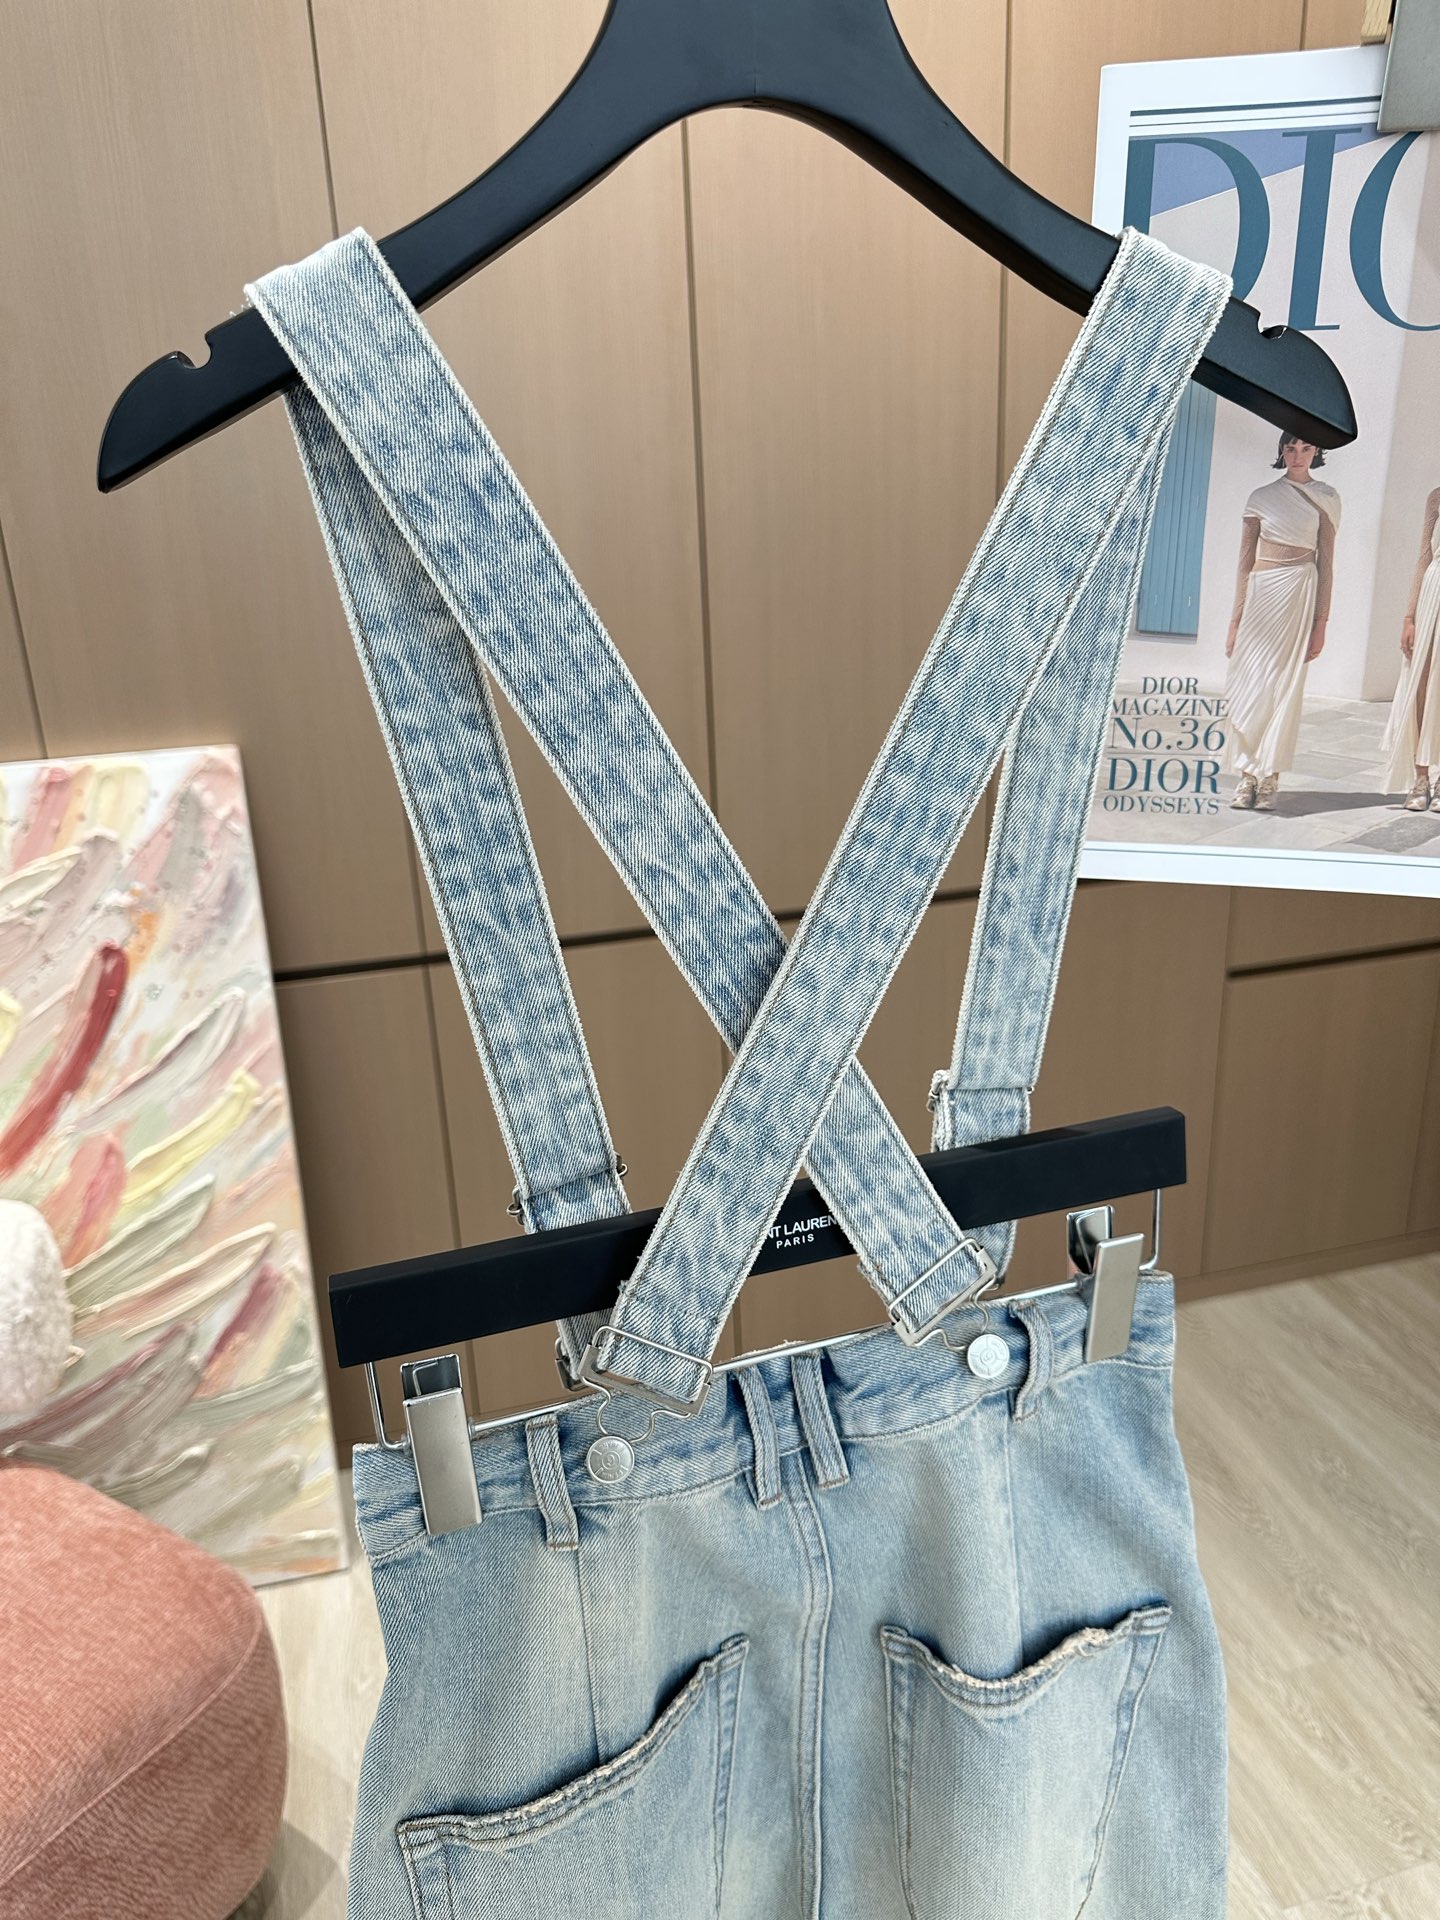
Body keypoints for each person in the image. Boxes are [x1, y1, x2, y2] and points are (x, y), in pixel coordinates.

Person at [1223, 435, 1340, 811]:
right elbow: (1244, 563)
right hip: (1261, 594)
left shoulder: (1326, 498)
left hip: (1299, 593)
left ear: (1317, 452)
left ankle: (1269, 777)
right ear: (1281, 451)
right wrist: (1235, 620)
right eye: (1291, 448)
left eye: (1306, 448)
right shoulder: (1260, 497)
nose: (1298, 456)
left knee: (1283, 686)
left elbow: (1327, 565)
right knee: (1252, 681)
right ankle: (1246, 776)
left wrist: (1321, 621)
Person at [1380, 486, 1440, 811]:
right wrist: (1409, 616)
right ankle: (1420, 777)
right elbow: (1423, 557)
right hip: (1434, 592)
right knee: (1422, 683)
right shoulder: (1436, 497)